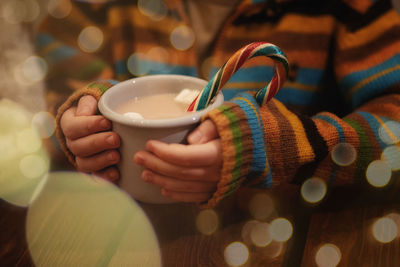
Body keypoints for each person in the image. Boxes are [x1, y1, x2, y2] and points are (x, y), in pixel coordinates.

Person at [36, 0, 400, 207]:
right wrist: (79, 120)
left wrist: (285, 144)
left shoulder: (347, 8)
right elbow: (55, 94)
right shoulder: (88, 9)